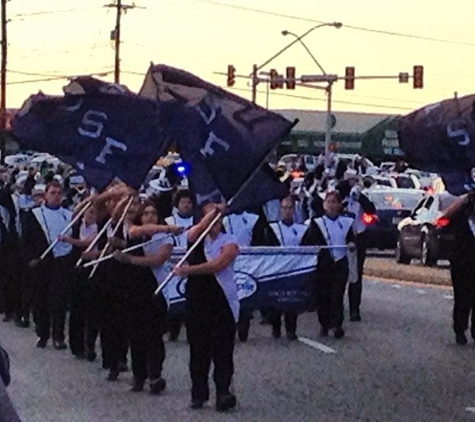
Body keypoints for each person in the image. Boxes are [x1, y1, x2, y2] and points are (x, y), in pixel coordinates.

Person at [174, 203, 239, 412]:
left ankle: (223, 391)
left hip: (222, 300)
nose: (215, 222)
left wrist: (189, 270)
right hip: (198, 300)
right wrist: (212, 212)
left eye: (219, 218)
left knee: (222, 350)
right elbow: (194, 233)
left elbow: (218, 264)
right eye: (211, 218)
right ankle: (198, 393)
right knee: (198, 349)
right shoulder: (194, 240)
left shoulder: (230, 241)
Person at [113, 200, 179, 394]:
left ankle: (155, 374)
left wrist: (131, 259)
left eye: (154, 213)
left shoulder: (165, 238)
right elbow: (130, 230)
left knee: (154, 335)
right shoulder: (135, 233)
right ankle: (139, 375)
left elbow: (158, 259)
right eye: (146, 213)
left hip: (154, 290)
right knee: (136, 335)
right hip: (134, 289)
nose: (150, 217)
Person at [22, 181, 73, 349]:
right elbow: (27, 239)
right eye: (53, 192)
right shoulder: (34, 214)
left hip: (61, 261)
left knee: (59, 300)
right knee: (40, 299)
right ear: (46, 195)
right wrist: (31, 258)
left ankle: (58, 336)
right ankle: (42, 333)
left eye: (59, 193)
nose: (56, 196)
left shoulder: (69, 215)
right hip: (42, 262)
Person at [301, 191, 356, 339]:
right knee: (323, 295)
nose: (331, 205)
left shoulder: (346, 222)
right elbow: (308, 241)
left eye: (334, 202)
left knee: (337, 295)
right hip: (324, 264)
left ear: (339, 205)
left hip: (340, 262)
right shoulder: (317, 222)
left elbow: (352, 239)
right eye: (328, 202)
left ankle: (337, 324)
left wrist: (351, 243)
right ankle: (324, 324)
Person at [336, 168, 376, 322]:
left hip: (358, 238)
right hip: (340, 239)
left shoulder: (360, 197)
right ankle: (336, 308)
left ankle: (354, 310)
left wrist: (360, 198)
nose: (353, 183)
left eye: (355, 180)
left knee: (356, 275)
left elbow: (371, 210)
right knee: (339, 275)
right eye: (350, 180)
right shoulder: (339, 197)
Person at [268, 196, 307, 340]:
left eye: (290, 208)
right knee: (276, 299)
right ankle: (276, 328)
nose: (287, 211)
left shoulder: (301, 229)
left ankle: (291, 329)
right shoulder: (273, 228)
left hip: (294, 269)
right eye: (284, 208)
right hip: (277, 269)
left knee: (292, 299)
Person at [440, 191, 475, 345]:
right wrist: (462, 201)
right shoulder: (460, 216)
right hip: (462, 263)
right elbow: (443, 221)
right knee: (462, 298)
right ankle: (460, 329)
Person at [164, 189, 196, 341]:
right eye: (183, 202)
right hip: (173, 265)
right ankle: (173, 330)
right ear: (177, 204)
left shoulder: (198, 221)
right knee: (173, 298)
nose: (186, 205)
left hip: (192, 264)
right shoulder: (169, 222)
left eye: (189, 202)